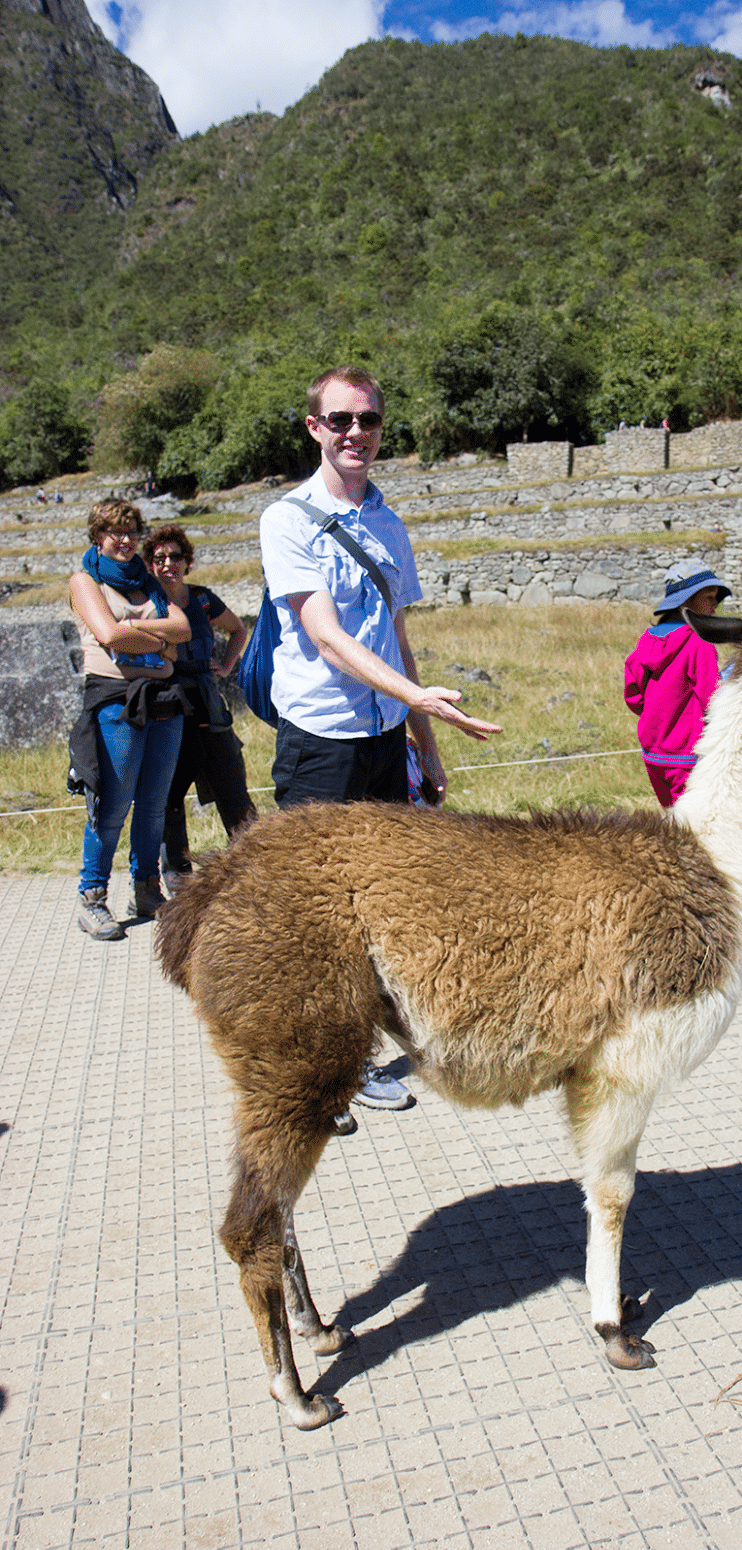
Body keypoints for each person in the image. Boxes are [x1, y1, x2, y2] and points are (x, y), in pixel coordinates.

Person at [259, 364, 502, 1116]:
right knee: (318, 918)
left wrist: (423, 741)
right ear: (313, 428)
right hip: (322, 739)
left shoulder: (388, 524)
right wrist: (415, 697)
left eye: (366, 419)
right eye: (339, 420)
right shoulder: (287, 520)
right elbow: (326, 638)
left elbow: (396, 638)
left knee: (385, 905)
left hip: (385, 737)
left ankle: (363, 1045)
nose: (354, 433)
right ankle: (318, 1073)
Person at [67, 500, 192, 939]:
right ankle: (92, 897)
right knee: (113, 805)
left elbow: (185, 629)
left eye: (131, 531)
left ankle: (147, 891)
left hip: (163, 701)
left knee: (154, 805)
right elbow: (109, 634)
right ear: (97, 536)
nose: (124, 540)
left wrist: (145, 642)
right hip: (115, 703)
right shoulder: (85, 581)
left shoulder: (148, 580)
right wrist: (161, 648)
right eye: (114, 532)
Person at [143, 524, 258, 890]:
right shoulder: (144, 603)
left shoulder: (203, 600)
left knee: (233, 789)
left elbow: (237, 629)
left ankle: (253, 871)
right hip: (165, 707)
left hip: (209, 708)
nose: (168, 564)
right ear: (150, 564)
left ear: (187, 561)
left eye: (175, 556)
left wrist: (225, 666)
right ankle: (177, 878)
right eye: (159, 558)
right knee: (170, 796)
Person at [624, 558, 732, 809]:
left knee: (673, 820)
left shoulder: (647, 640)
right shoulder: (699, 644)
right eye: (709, 597)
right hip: (686, 757)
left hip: (653, 754)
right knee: (693, 829)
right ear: (687, 601)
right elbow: (712, 699)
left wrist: (657, 713)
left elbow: (633, 696)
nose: (716, 603)